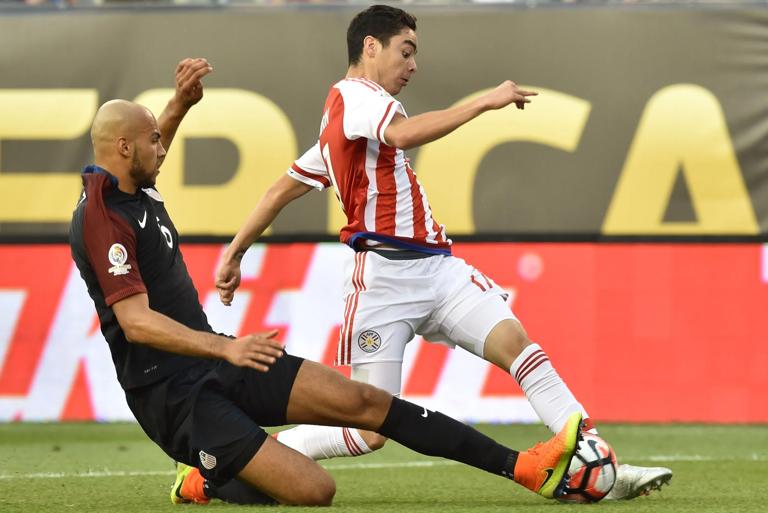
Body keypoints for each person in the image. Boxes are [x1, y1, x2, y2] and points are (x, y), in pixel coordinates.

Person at [68, 57, 584, 507]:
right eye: (154, 141)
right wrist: (225, 349)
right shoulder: (102, 219)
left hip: (216, 358)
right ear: (124, 149)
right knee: (316, 490)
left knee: (365, 404)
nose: (163, 148)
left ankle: (524, 468)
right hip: (173, 396)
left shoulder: (134, 182)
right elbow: (136, 323)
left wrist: (180, 103)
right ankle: (205, 479)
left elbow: (152, 146)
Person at [215, 4, 672, 501]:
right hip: (383, 283)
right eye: (405, 51)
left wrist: (235, 252)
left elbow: (280, 190)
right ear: (371, 46)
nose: (413, 65)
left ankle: (600, 465)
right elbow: (404, 134)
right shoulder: (359, 98)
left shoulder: (341, 121)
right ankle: (250, 457)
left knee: (519, 348)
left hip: (438, 270)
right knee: (368, 430)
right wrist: (485, 102)